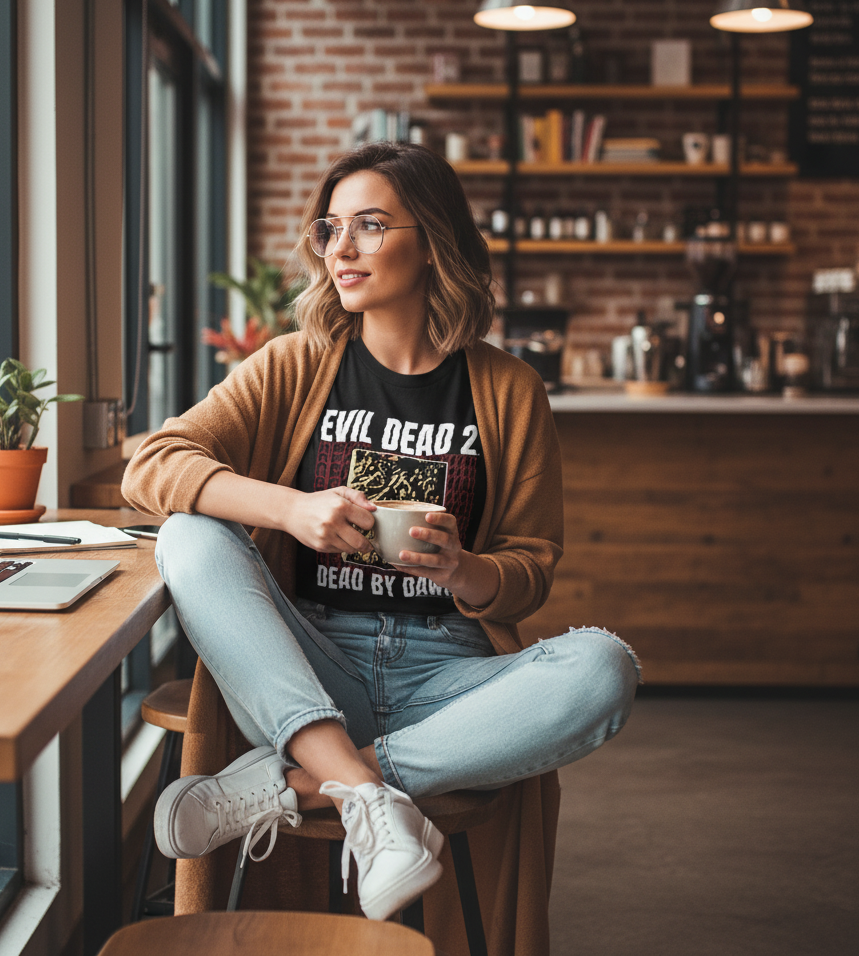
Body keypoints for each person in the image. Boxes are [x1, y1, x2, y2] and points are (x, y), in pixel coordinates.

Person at [122, 142, 640, 925]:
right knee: (189, 535)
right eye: (331, 229)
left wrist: (463, 570)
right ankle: (364, 791)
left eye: (369, 225)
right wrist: (292, 511)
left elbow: (531, 570)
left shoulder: (509, 388)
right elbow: (153, 466)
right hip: (308, 671)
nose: (342, 248)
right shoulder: (295, 365)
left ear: (432, 242)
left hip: (450, 690)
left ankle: (304, 783)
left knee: (604, 668)